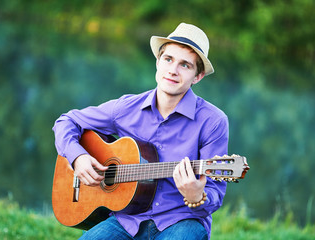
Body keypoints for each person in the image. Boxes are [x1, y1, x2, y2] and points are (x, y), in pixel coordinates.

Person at [53, 22, 228, 240]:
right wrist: (77, 157)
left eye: (185, 65)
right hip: (127, 220)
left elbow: (214, 194)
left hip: (181, 221)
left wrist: (196, 196)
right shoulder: (127, 108)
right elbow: (67, 121)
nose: (173, 70)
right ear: (158, 61)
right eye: (168, 59)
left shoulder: (213, 121)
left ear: (197, 76)